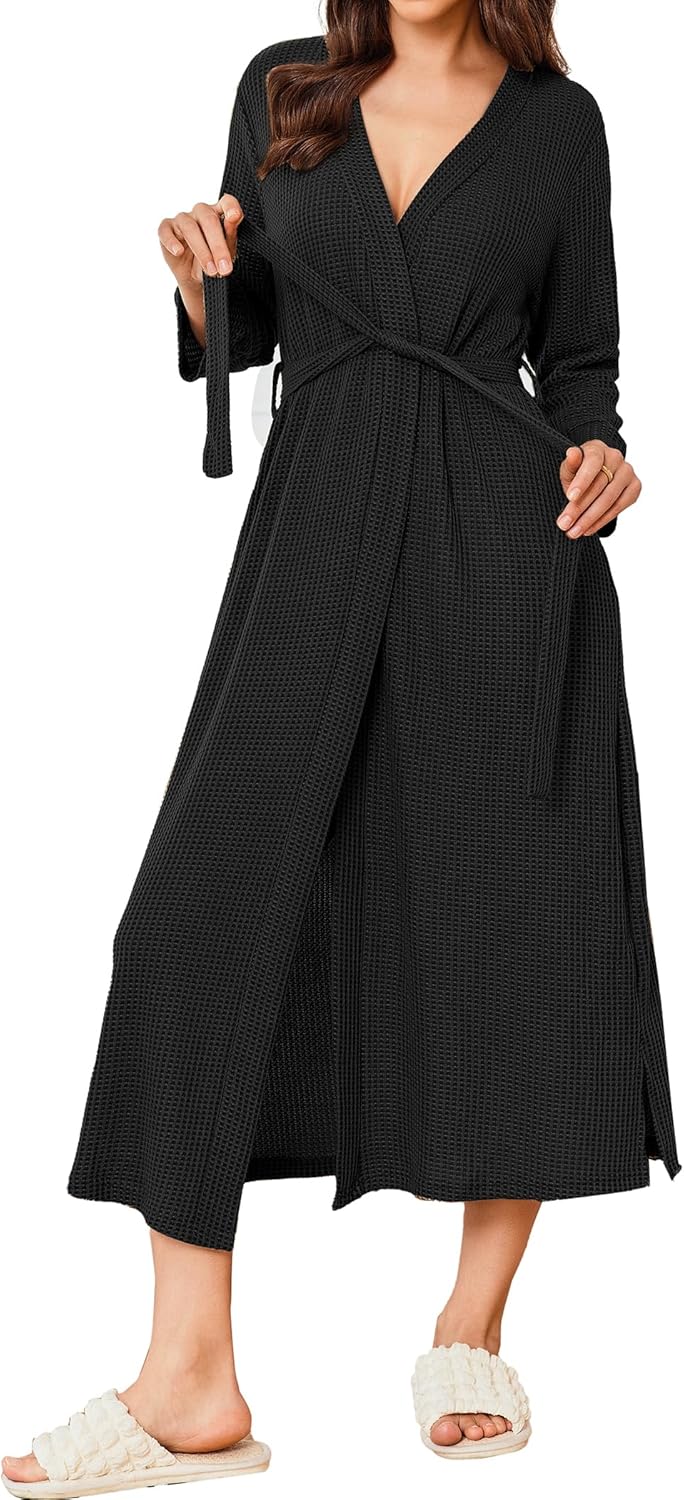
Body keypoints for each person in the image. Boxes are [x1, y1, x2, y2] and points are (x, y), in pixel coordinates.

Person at [3, 0, 680, 1487]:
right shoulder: (282, 88)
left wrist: (604, 457)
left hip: (501, 545)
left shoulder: (558, 126)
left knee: (511, 921)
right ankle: (190, 1379)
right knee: (193, 924)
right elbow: (246, 330)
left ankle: (472, 1326)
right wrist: (200, 282)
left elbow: (583, 366)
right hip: (316, 531)